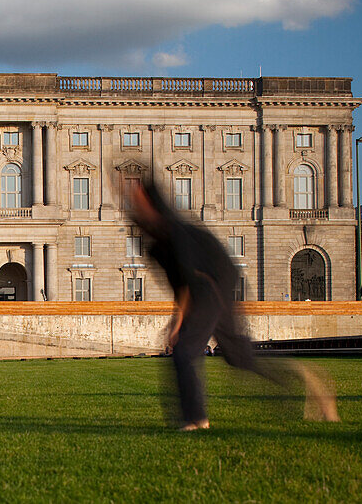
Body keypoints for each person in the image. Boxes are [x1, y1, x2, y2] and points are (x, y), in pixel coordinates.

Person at [127, 178, 339, 430]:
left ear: (152, 201)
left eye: (137, 196)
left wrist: (178, 323)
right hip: (209, 286)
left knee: (184, 350)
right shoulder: (156, 243)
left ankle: (196, 419)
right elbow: (178, 285)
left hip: (212, 283)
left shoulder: (174, 232)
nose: (131, 201)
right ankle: (306, 379)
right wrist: (177, 320)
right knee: (239, 358)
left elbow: (187, 281)